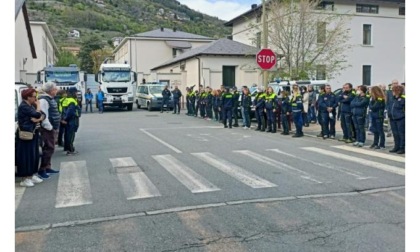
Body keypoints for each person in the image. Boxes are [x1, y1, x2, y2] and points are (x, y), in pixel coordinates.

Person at [16, 88, 45, 187]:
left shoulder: (31, 105)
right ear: (28, 97)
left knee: (34, 155)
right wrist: (38, 107)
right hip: (26, 134)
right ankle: (25, 178)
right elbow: (37, 114)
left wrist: (38, 119)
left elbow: (42, 115)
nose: (36, 99)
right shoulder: (24, 106)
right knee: (26, 156)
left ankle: (32, 174)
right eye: (34, 96)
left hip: (34, 133)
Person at [38, 82, 61, 179]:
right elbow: (44, 116)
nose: (57, 91)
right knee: (49, 148)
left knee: (50, 147)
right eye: (55, 89)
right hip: (47, 128)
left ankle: (48, 167)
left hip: (53, 127)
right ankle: (42, 169)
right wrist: (50, 128)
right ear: (51, 90)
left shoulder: (50, 99)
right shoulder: (44, 100)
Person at [62, 88, 81, 155]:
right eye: (76, 92)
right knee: (71, 136)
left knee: (67, 135)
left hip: (67, 120)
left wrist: (63, 119)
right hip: (72, 120)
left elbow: (63, 111)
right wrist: (66, 119)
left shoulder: (66, 99)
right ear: (73, 93)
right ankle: (70, 150)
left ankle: (67, 148)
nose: (76, 94)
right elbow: (70, 112)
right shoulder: (72, 101)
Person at [388, 85, 405, 154]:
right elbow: (389, 106)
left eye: (394, 91)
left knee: (401, 134)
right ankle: (396, 146)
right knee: (395, 134)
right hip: (392, 118)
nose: (392, 92)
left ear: (398, 91)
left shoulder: (403, 99)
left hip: (400, 119)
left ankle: (402, 148)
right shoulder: (393, 98)